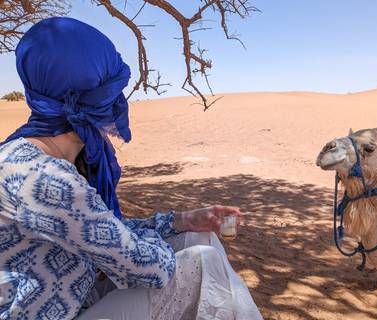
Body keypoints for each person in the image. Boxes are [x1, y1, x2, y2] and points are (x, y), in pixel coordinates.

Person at [0, 17, 263, 320]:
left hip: (77, 295)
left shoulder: (39, 155)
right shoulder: (47, 179)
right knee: (203, 263)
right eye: (111, 89)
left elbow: (104, 234)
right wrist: (138, 245)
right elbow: (149, 268)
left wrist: (184, 220)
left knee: (199, 238)